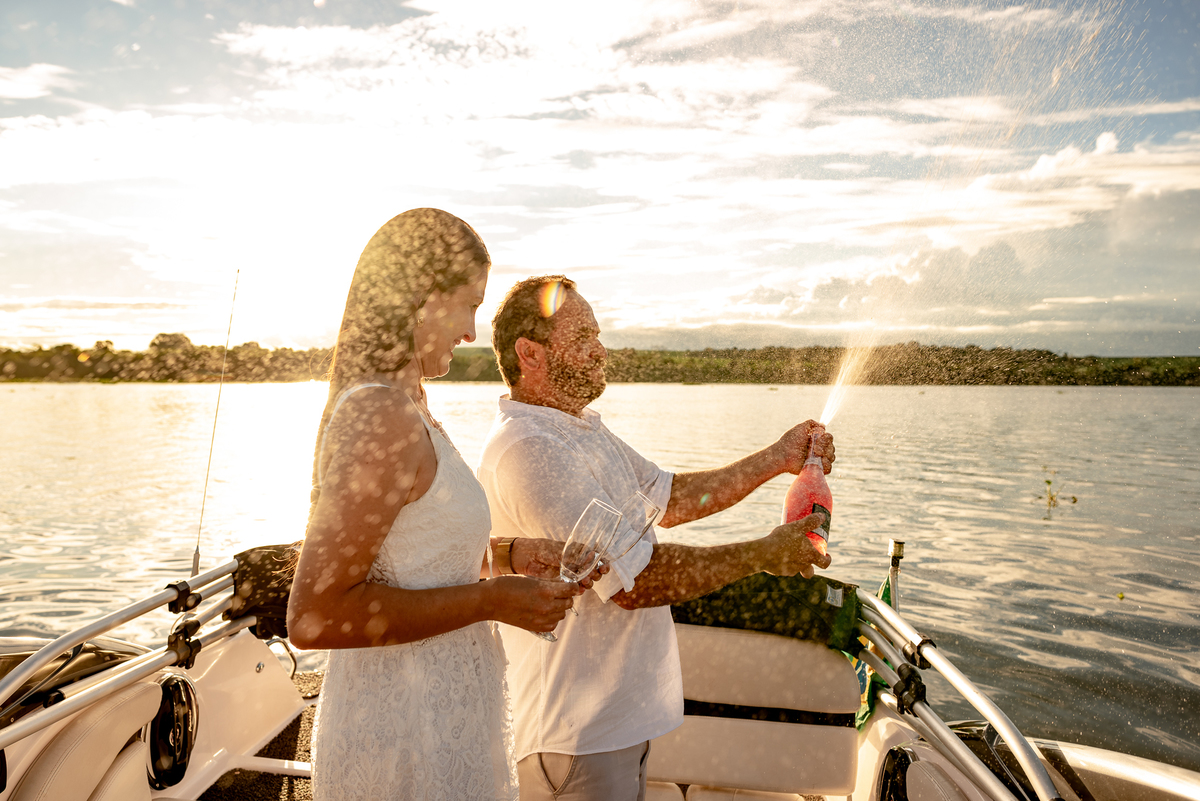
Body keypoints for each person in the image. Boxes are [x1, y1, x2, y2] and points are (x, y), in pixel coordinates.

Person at [477, 275, 836, 801]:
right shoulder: (531, 450)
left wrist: (778, 458)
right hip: (574, 741)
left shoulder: (578, 430)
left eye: (597, 336)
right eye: (582, 341)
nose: (601, 351)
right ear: (529, 354)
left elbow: (668, 498)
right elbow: (634, 582)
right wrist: (765, 554)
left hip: (614, 729)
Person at [287, 213, 596, 801]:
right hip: (403, 734)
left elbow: (420, 555)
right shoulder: (380, 415)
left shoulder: (412, 405)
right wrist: (489, 602)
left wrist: (509, 556)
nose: (472, 332)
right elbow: (313, 617)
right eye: (467, 305)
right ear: (417, 300)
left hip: (446, 718)